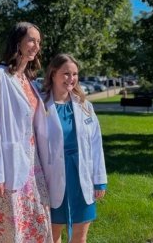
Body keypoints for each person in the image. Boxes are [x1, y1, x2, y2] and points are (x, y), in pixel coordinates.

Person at [0, 22, 53, 243]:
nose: (36, 46)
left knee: (36, 223)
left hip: (34, 165)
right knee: (7, 229)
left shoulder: (29, 80)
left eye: (38, 42)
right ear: (17, 42)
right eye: (31, 40)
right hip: (9, 167)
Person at [35, 54, 107, 243]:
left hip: (81, 176)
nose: (71, 79)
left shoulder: (85, 106)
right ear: (53, 74)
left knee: (80, 237)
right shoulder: (40, 105)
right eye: (66, 73)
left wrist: (99, 181)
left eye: (74, 74)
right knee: (52, 236)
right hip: (52, 177)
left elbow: (96, 145)